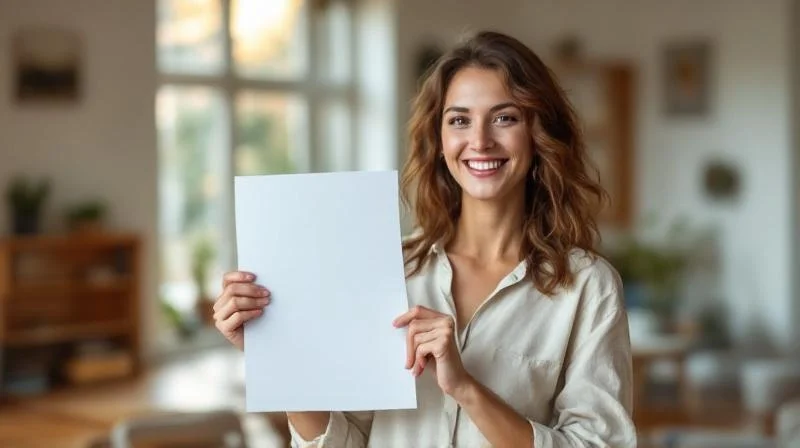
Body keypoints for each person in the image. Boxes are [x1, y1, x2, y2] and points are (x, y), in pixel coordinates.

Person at [213, 30, 635, 447]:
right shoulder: (386, 269)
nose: (480, 141)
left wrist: (466, 387)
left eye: (505, 117)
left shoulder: (587, 287)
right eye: (459, 120)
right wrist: (277, 353)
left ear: (539, 134)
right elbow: (346, 442)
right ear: (439, 140)